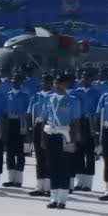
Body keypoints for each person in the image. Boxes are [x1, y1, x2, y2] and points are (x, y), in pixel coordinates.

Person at [44, 75, 81, 209]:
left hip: (65, 136)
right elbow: (44, 118)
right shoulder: (48, 99)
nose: (58, 85)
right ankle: (53, 198)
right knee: (52, 167)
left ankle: (62, 200)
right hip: (51, 136)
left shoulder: (73, 101)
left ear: (66, 84)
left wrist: (73, 141)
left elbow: (75, 122)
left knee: (64, 168)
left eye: (61, 83)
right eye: (56, 83)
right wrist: (43, 139)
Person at [27, 74, 54, 197]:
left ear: (51, 84)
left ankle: (48, 187)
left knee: (48, 157)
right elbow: (29, 113)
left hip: (49, 126)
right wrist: (29, 129)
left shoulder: (53, 97)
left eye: (47, 82)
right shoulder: (36, 96)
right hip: (38, 125)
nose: (45, 84)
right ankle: (39, 186)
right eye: (43, 82)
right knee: (39, 157)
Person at [2, 75, 31, 188]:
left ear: (21, 83)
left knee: (19, 152)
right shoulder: (7, 95)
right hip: (10, 123)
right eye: (13, 82)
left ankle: (18, 179)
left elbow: (27, 112)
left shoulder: (25, 96)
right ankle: (10, 178)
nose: (15, 84)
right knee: (9, 152)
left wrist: (27, 128)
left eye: (17, 82)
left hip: (20, 124)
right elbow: (4, 112)